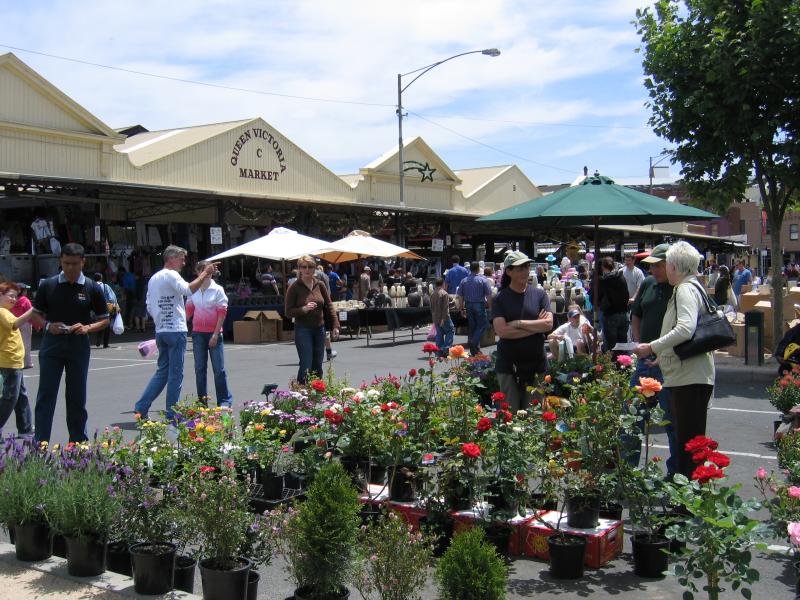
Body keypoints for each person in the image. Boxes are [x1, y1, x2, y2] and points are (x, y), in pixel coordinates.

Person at [634, 241, 715, 478]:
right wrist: (664, 354)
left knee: (688, 443)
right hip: (691, 374)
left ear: (674, 266)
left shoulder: (684, 289)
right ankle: (689, 500)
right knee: (689, 441)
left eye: (666, 264)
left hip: (688, 378)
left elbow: (685, 329)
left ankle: (688, 504)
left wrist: (652, 347)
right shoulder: (693, 286)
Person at [31, 243, 110, 443]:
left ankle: (78, 445)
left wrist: (86, 328)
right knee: (46, 396)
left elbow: (105, 318)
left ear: (83, 262)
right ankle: (40, 445)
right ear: (60, 261)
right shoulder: (48, 285)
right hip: (52, 344)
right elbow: (36, 314)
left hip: (78, 345)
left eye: (75, 263)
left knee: (76, 397)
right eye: (66, 263)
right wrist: (48, 326)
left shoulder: (92, 287)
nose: (70, 268)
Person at [134, 246, 219, 421]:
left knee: (163, 371)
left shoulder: (154, 278)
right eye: (182, 258)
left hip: (162, 330)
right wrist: (204, 273)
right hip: (175, 329)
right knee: (175, 374)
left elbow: (149, 305)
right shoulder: (171, 275)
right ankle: (172, 414)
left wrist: (160, 318)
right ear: (171, 258)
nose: (184, 262)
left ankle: (142, 407)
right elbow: (188, 290)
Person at [624, 243, 676, 475]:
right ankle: (627, 472)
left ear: (672, 264)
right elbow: (636, 314)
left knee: (671, 418)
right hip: (645, 359)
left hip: (669, 361)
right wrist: (638, 342)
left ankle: (676, 475)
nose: (654, 270)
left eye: (659, 265)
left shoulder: (681, 288)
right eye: (652, 265)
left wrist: (659, 350)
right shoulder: (647, 283)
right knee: (631, 414)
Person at [491, 251, 553, 411]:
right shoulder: (500, 298)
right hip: (509, 365)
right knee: (509, 413)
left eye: (526, 267)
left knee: (535, 414)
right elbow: (502, 331)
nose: (525, 271)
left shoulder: (540, 295)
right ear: (509, 271)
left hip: (537, 363)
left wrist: (518, 323)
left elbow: (548, 325)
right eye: (520, 268)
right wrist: (535, 327)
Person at [284, 255, 340, 384]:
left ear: (315, 268)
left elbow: (329, 305)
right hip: (303, 329)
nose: (307, 270)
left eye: (310, 267)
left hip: (319, 328)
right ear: (299, 269)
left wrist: (335, 325)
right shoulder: (294, 287)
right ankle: (301, 393)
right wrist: (303, 309)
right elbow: (288, 312)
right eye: (304, 267)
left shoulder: (320, 284)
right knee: (306, 364)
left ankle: (317, 392)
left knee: (318, 364)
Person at [186, 260, 232, 408]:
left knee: (219, 369)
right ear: (198, 273)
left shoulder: (218, 289)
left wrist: (215, 334)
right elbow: (188, 312)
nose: (207, 275)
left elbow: (222, 313)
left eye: (209, 272)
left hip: (214, 333)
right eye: (203, 272)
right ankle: (202, 401)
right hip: (198, 333)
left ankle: (224, 400)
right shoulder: (193, 290)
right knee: (200, 369)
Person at [0, 282, 35, 437]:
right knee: (10, 397)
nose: (14, 299)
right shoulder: (2, 312)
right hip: (9, 361)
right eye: (11, 296)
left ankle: (25, 428)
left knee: (20, 396)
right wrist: (34, 309)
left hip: (14, 361)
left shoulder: (6, 311)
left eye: (16, 296)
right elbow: (15, 324)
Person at [457, 262, 493, 355]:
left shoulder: (464, 281)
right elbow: (489, 295)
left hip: (468, 305)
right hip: (479, 304)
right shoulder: (483, 280)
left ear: (470, 269)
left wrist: (461, 308)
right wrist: (491, 306)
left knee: (473, 327)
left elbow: (460, 296)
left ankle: (475, 350)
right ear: (478, 269)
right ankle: (474, 342)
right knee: (482, 325)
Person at [597, 257, 630, 353]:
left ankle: (613, 366)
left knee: (611, 347)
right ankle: (624, 366)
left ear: (603, 267)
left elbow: (596, 298)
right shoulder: (621, 277)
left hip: (610, 315)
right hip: (624, 314)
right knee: (623, 346)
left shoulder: (605, 280)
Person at [430, 277, 453, 358]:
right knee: (450, 330)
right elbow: (445, 308)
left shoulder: (433, 294)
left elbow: (431, 307)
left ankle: (438, 351)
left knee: (439, 334)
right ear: (443, 284)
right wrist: (443, 319)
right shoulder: (444, 293)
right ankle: (445, 348)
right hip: (444, 317)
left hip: (435, 317)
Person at [93, 272, 118, 349]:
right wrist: (114, 307)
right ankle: (105, 343)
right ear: (101, 278)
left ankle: (98, 339)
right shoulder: (105, 286)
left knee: (99, 323)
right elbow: (111, 298)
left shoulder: (92, 286)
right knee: (106, 325)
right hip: (106, 308)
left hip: (96, 308)